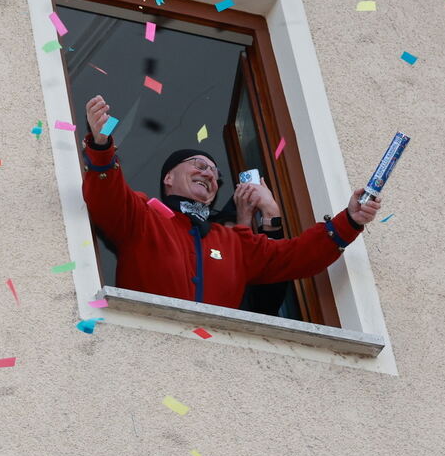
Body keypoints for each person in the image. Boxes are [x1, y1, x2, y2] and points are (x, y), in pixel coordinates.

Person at [79, 94, 381, 309]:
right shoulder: (143, 217)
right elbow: (107, 195)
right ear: (168, 178)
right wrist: (102, 146)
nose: (208, 173)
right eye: (197, 164)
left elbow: (298, 256)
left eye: (214, 172)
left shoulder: (234, 241)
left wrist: (350, 221)